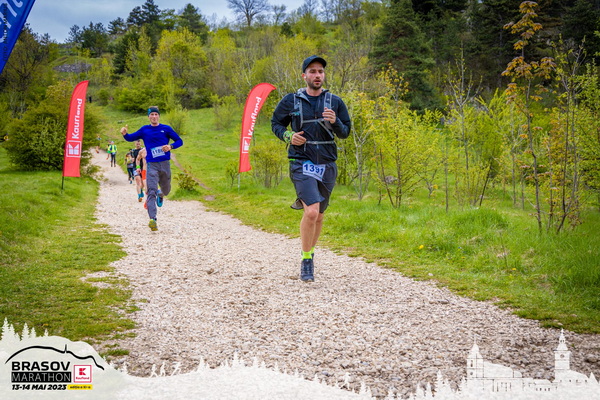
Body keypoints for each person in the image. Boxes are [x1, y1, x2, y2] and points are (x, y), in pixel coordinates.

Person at [271, 55, 351, 282]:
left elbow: (345, 132)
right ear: (304, 75)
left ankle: (311, 251)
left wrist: (335, 121)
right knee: (312, 212)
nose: (317, 75)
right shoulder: (291, 101)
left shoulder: (335, 102)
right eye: (313, 71)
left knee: (320, 215)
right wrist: (288, 135)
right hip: (301, 160)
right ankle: (306, 260)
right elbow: (276, 123)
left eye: (320, 71)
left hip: (327, 163)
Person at [121, 106, 183, 231]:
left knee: (166, 190)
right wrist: (124, 133)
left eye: (156, 114)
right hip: (151, 165)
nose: (154, 116)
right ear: (148, 116)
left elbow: (179, 141)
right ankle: (152, 219)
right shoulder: (145, 130)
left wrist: (170, 146)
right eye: (152, 114)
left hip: (164, 164)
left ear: (158, 116)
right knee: (151, 191)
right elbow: (130, 138)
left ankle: (161, 194)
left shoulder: (166, 129)